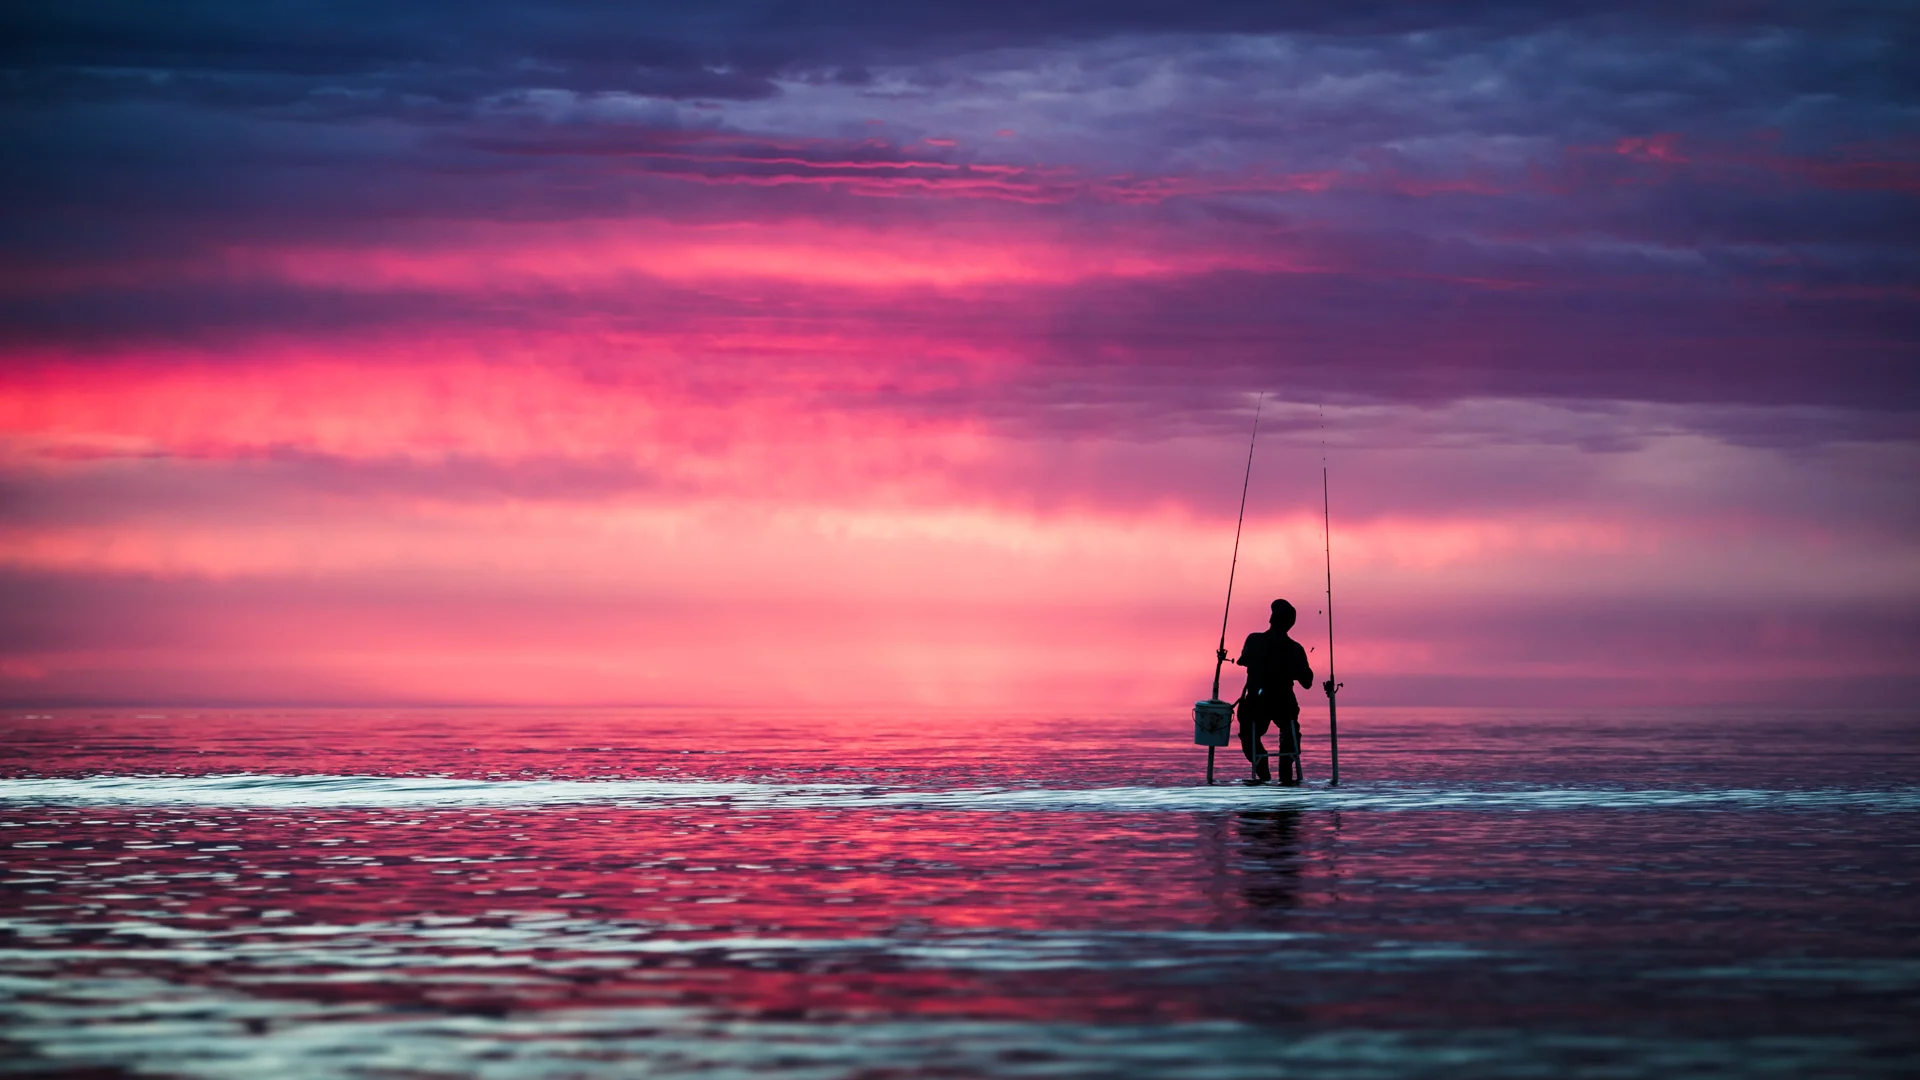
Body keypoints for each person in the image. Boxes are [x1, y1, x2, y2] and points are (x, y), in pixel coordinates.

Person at [1235, 599, 1314, 784]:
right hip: (1281, 704)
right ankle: (1284, 778)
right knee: (1289, 735)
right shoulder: (1295, 649)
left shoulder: (1254, 640)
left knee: (1249, 734)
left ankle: (1264, 774)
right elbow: (1308, 681)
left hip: (1260, 704)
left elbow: (1242, 661)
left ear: (1271, 619)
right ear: (1290, 624)